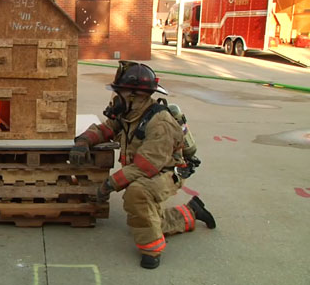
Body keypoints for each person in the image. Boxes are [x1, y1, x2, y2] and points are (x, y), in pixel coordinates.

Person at [69, 61, 216, 269]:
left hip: (167, 173)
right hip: (147, 169)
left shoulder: (160, 123)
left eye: (119, 94)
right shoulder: (129, 115)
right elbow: (105, 129)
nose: (115, 100)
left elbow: (144, 167)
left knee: (137, 195)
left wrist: (108, 185)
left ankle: (152, 250)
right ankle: (191, 212)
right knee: (145, 218)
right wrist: (83, 141)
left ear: (134, 96)